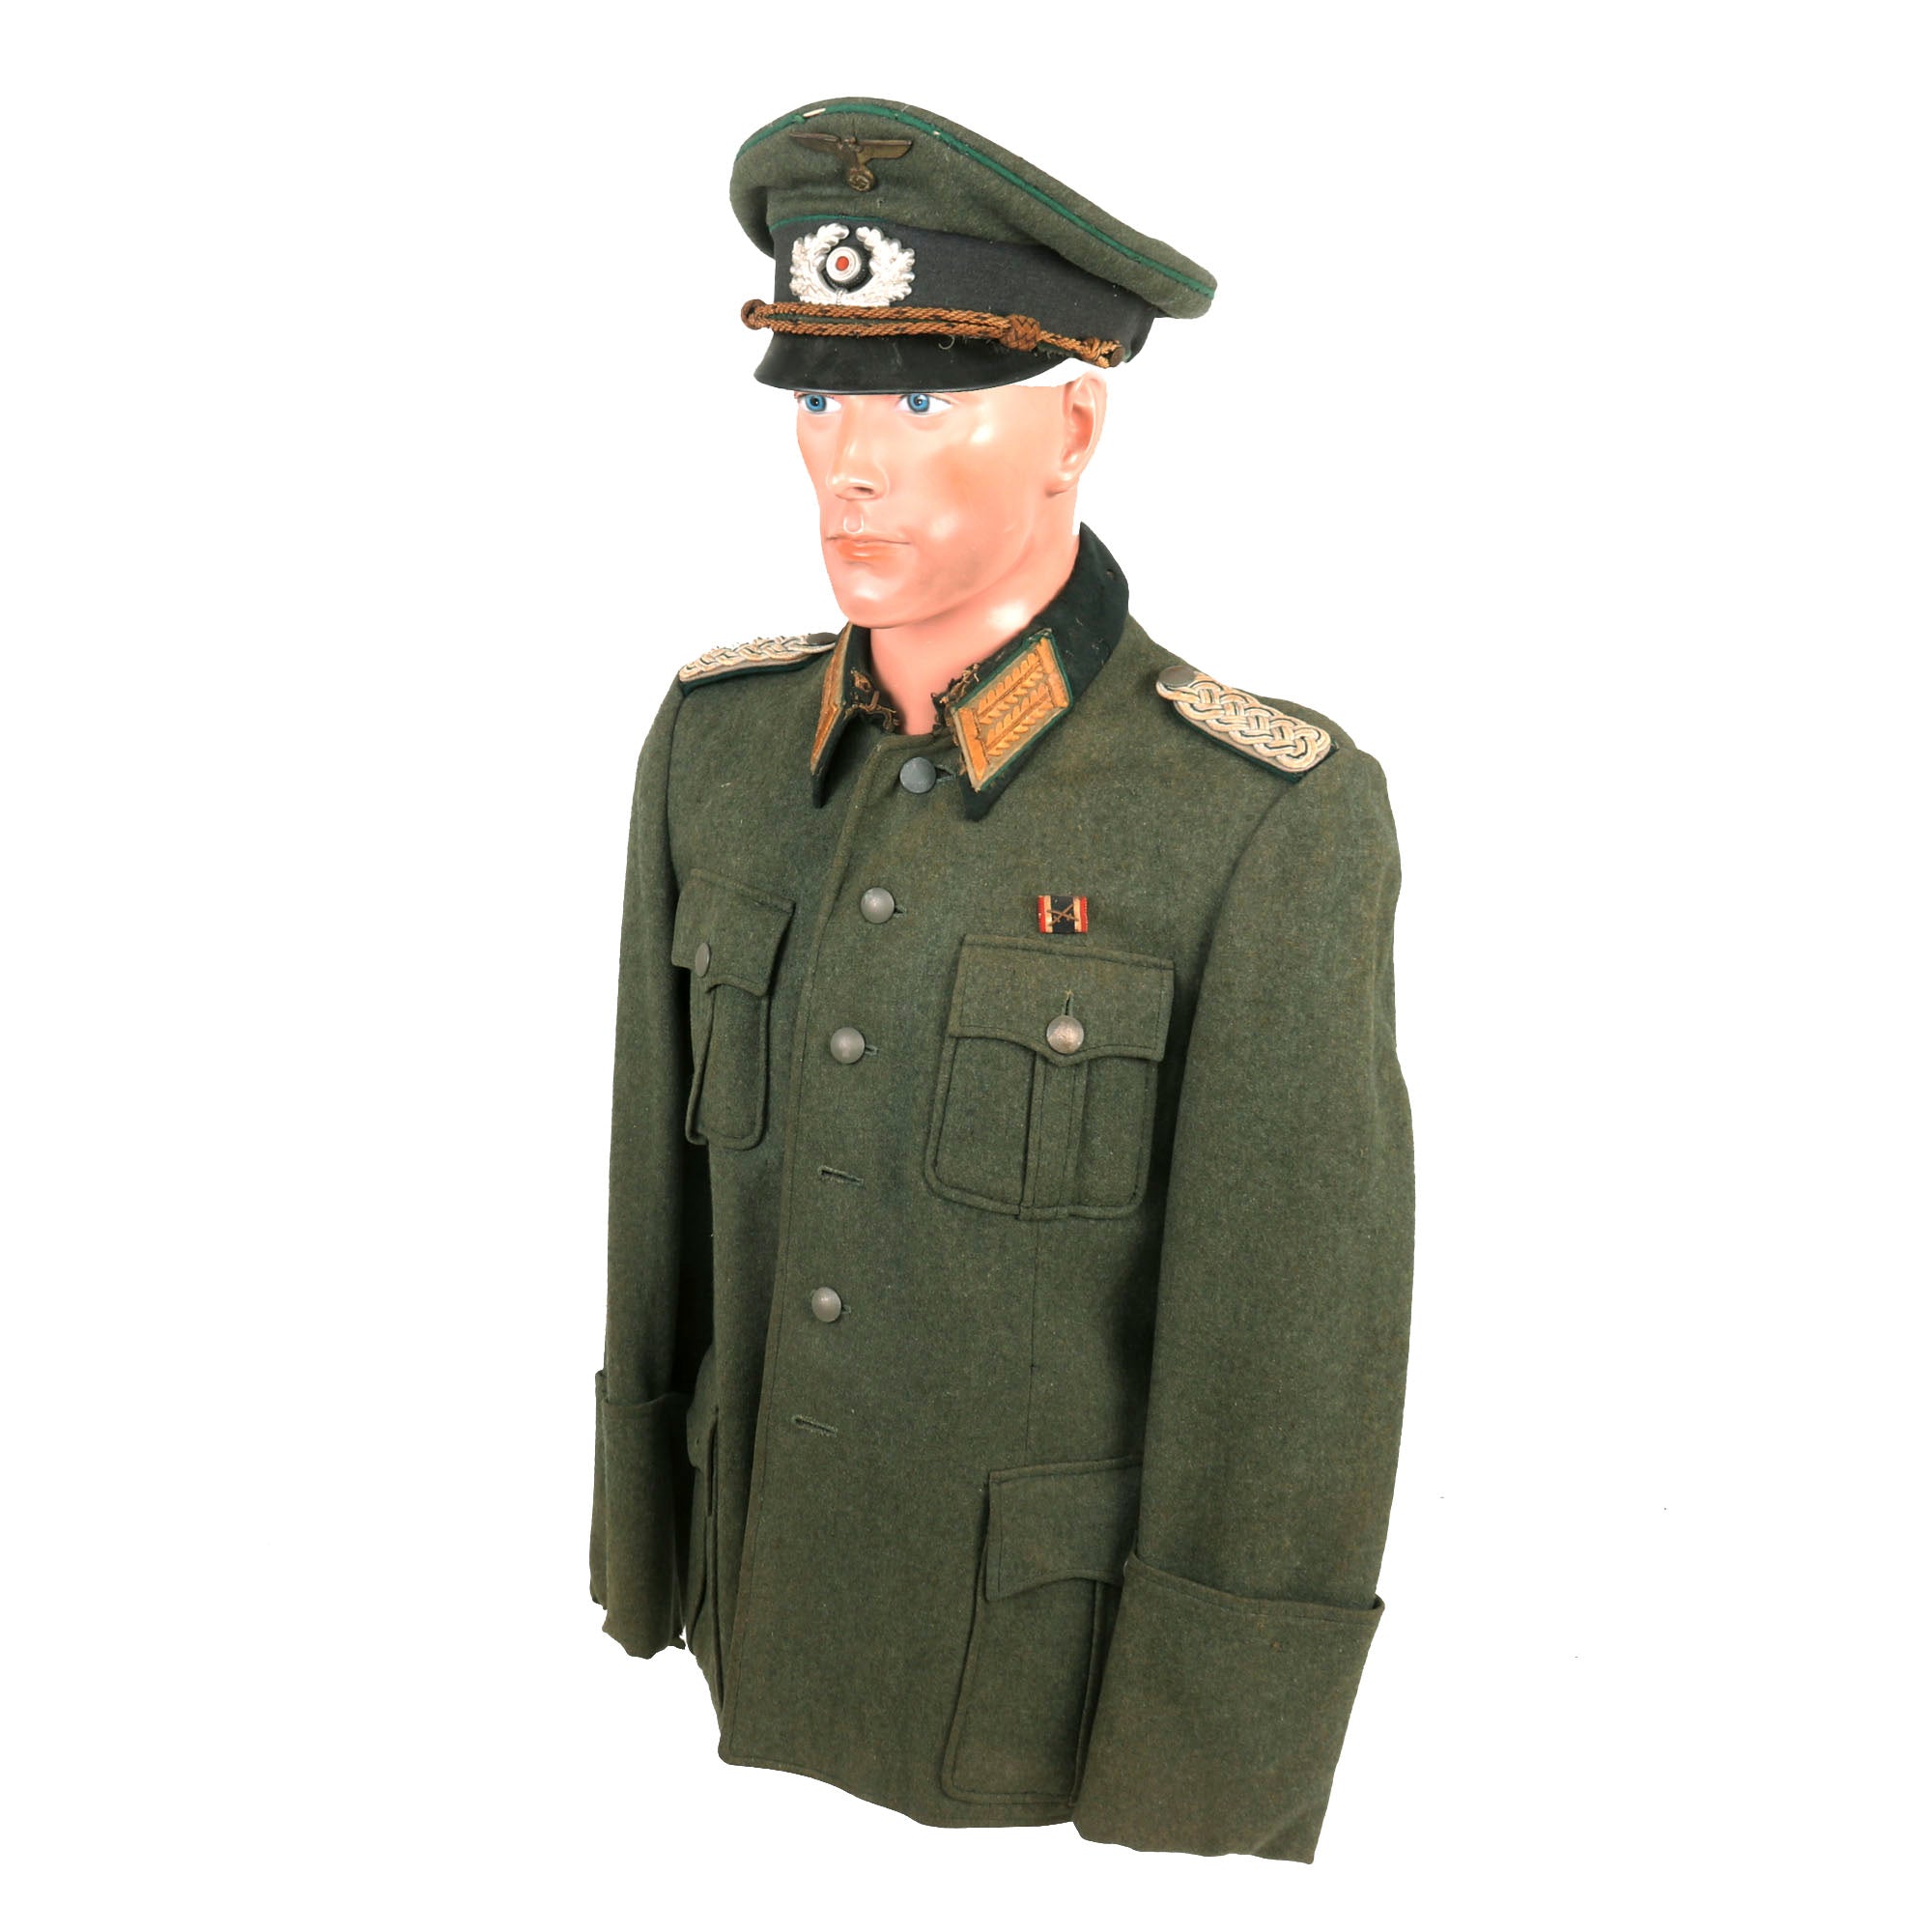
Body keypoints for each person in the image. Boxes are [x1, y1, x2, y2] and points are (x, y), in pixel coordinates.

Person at [588, 95, 1414, 1863]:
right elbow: (656, 1206)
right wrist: (642, 1560)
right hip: (745, 1614)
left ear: (1075, 425)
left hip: (1036, 1692)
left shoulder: (1255, 815)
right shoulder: (718, 747)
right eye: (818, 399)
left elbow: (1289, 1351)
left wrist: (1203, 1782)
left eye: (922, 404)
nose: (850, 462)